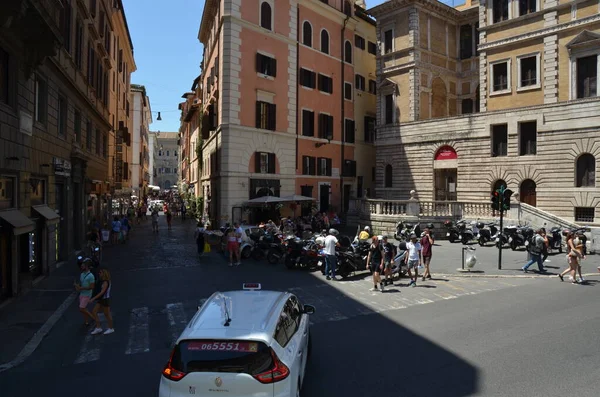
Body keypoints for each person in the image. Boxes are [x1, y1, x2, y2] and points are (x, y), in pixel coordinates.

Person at [89, 269, 114, 335]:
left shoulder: (106, 282)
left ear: (104, 273)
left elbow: (102, 292)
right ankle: (98, 327)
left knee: (107, 314)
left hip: (105, 300)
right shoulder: (103, 281)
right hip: (102, 299)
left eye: (100, 273)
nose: (99, 274)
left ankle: (111, 328)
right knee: (94, 311)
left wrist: (93, 298)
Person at [74, 258, 95, 326]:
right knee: (84, 308)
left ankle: (93, 318)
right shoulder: (82, 274)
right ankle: (86, 321)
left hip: (87, 294)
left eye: (83, 266)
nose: (81, 267)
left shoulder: (91, 276)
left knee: (81, 308)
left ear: (86, 267)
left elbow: (92, 287)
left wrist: (81, 288)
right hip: (82, 293)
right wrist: (77, 286)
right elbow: (81, 283)